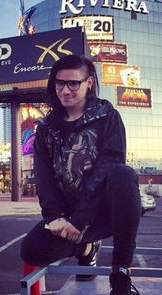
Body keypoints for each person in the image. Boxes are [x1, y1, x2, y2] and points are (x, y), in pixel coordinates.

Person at [20, 54, 141, 295]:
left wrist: (81, 219)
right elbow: (43, 177)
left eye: (73, 83)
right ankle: (87, 248)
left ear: (89, 83)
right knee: (31, 250)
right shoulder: (45, 128)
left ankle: (120, 275)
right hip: (69, 215)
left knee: (123, 175)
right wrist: (54, 216)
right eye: (59, 83)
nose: (65, 90)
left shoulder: (107, 117)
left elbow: (108, 165)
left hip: (104, 211)